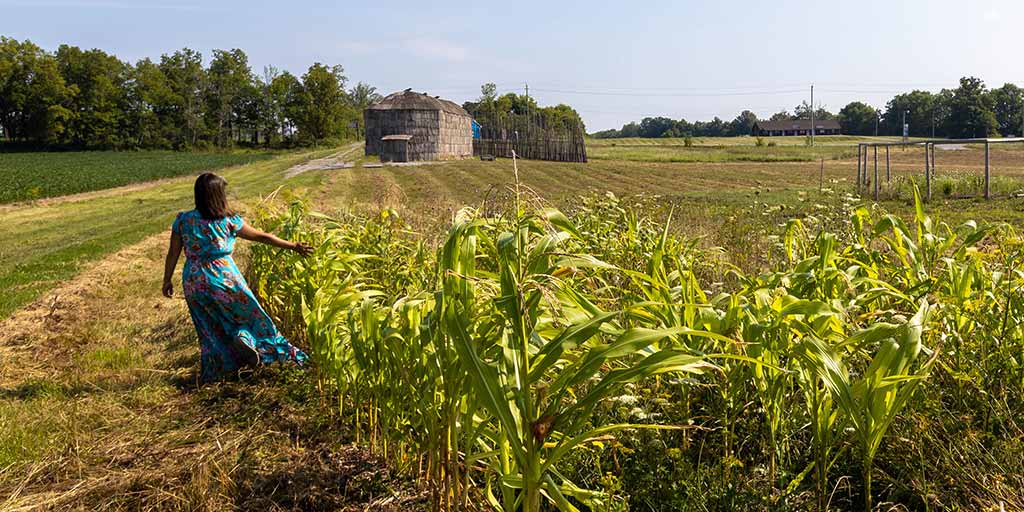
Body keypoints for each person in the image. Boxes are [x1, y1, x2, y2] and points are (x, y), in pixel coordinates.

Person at [162, 172, 312, 383]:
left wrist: (167, 280)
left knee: (208, 325)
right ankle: (248, 341)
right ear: (218, 195)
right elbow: (262, 237)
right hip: (224, 277)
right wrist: (293, 246)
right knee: (251, 316)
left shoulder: (183, 221)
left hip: (194, 280)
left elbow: (172, 253)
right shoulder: (229, 221)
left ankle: (219, 369)